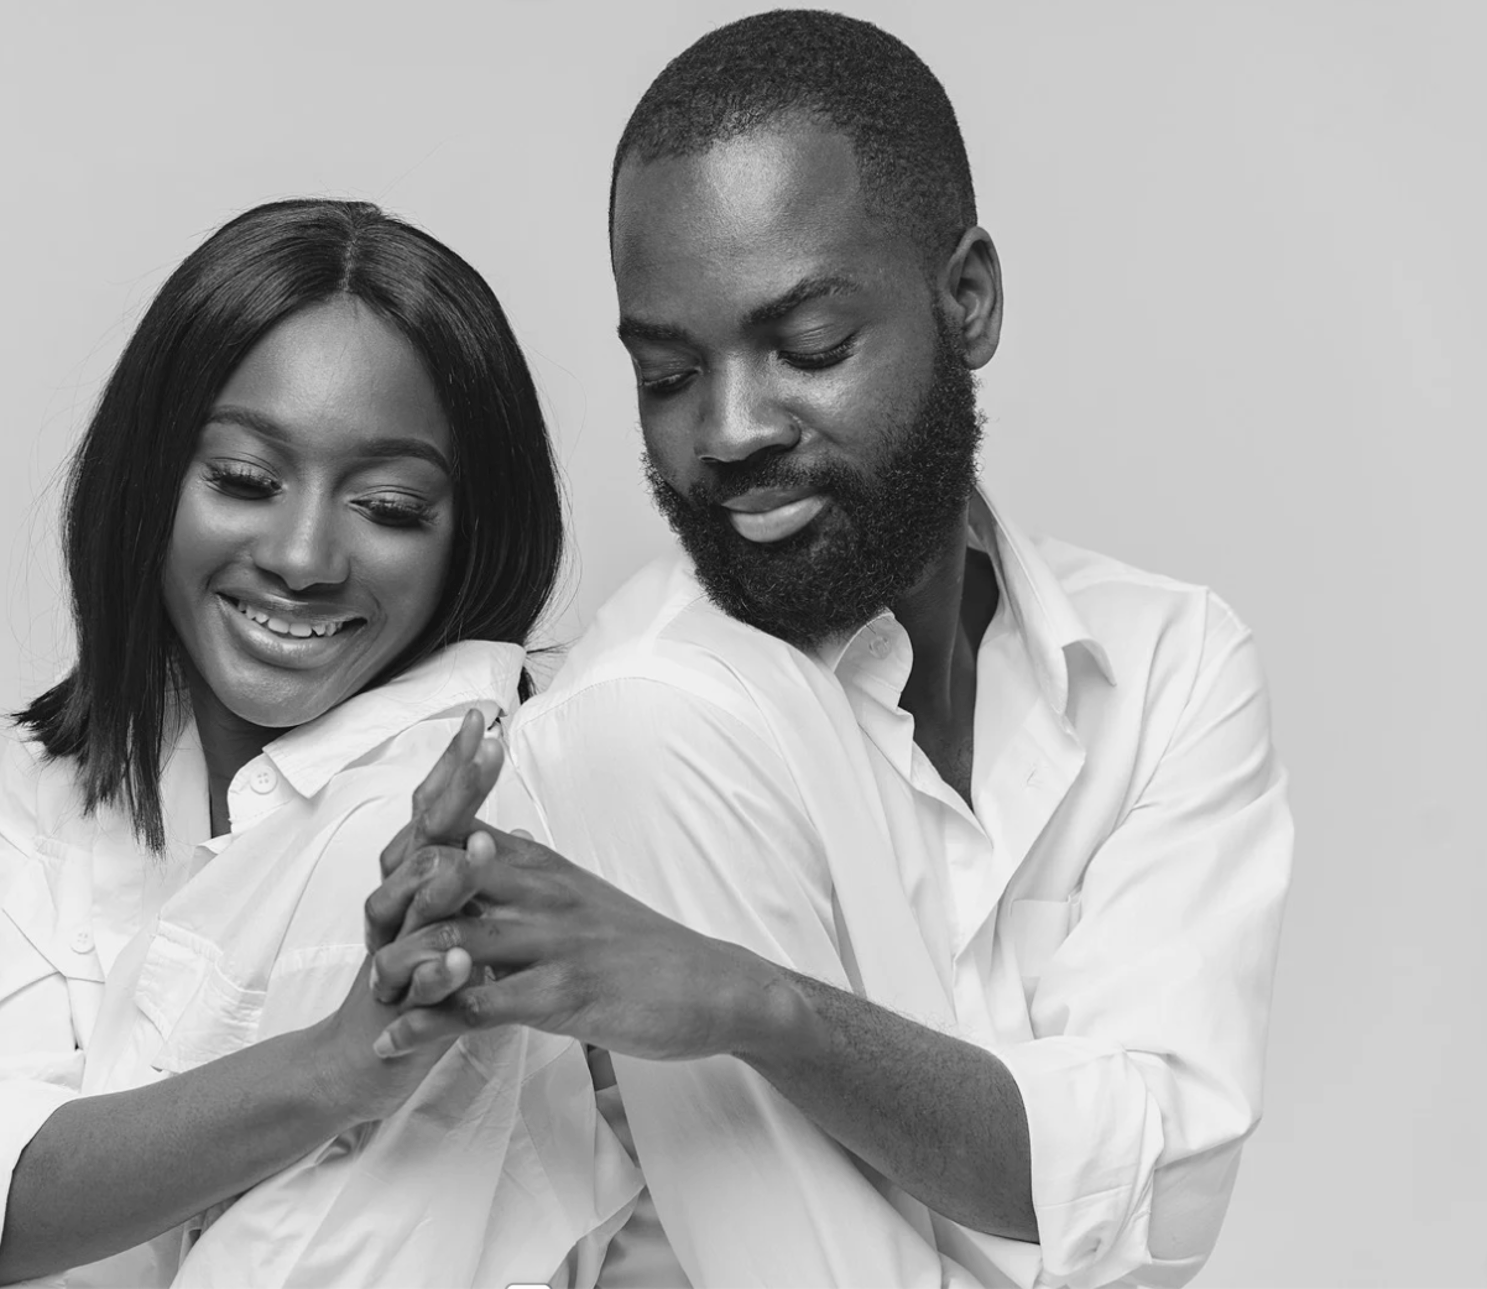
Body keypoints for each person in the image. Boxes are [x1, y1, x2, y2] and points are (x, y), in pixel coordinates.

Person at [367, 11, 1295, 1288]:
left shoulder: (1166, 662)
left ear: (965, 298)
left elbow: (1155, 1192)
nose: (729, 430)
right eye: (669, 373)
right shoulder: (631, 726)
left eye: (807, 347)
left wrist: (754, 1003)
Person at [0, 199, 639, 1289]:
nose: (306, 555)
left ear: (470, 536)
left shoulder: (452, 829)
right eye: (244, 481)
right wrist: (325, 1071)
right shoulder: (71, 775)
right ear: (152, 475)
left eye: (390, 504)